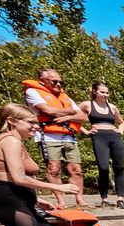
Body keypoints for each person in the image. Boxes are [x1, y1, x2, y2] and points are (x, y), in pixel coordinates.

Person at [0, 103, 71, 226]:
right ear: (12, 121)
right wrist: (60, 188)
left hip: (20, 199)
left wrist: (36, 199)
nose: (36, 126)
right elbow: (18, 178)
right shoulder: (10, 141)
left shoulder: (15, 140)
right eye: (31, 122)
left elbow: (4, 174)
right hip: (10, 201)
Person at [21, 68, 87, 208]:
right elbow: (47, 110)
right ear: (43, 81)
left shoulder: (65, 97)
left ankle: (80, 200)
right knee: (54, 169)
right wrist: (71, 111)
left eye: (61, 82)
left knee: (76, 169)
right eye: (55, 81)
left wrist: (68, 116)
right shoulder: (33, 92)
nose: (58, 84)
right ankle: (61, 200)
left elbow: (83, 116)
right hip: (48, 135)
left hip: (68, 135)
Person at [78, 82, 124, 209]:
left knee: (119, 166)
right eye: (102, 92)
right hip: (99, 136)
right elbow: (73, 119)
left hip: (114, 136)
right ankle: (104, 198)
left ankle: (120, 198)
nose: (105, 95)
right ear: (94, 91)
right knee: (103, 167)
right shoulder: (87, 104)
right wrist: (85, 131)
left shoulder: (112, 107)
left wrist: (120, 131)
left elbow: (122, 123)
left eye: (107, 92)